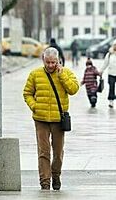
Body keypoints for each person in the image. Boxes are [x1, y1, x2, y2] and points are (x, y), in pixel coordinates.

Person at [23, 47, 79, 191]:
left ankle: (56, 175)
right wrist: (34, 106)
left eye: (53, 62)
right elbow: (27, 93)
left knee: (58, 153)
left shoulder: (66, 73)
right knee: (43, 151)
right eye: (47, 62)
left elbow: (73, 89)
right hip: (40, 119)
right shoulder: (35, 74)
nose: (50, 65)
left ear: (58, 61)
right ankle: (45, 182)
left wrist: (62, 76)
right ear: (43, 60)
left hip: (58, 120)